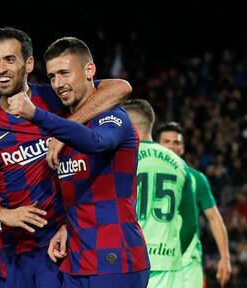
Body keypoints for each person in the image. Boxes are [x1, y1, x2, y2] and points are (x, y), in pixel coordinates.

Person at [0, 27, 131, 288]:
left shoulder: (53, 96)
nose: (1, 69)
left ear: (29, 63)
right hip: (15, 250)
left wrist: (63, 130)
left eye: (10, 59)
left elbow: (120, 88)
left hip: (59, 246)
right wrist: (4, 215)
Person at [8, 37, 149, 288]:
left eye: (64, 73)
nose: (58, 84)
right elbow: (82, 194)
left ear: (89, 71)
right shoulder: (66, 124)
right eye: (52, 77)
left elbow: (96, 142)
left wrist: (36, 115)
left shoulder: (113, 118)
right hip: (76, 260)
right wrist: (65, 227)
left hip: (115, 260)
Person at [122, 99, 198, 288]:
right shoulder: (180, 164)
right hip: (168, 264)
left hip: (131, 259)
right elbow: (191, 223)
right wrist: (173, 252)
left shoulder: (122, 158)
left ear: (129, 124)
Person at [156, 121, 231, 288]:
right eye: (166, 141)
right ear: (157, 145)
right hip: (154, 259)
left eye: (176, 142)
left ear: (183, 148)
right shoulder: (142, 171)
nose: (172, 146)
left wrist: (225, 257)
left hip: (187, 262)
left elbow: (214, 218)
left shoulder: (197, 178)